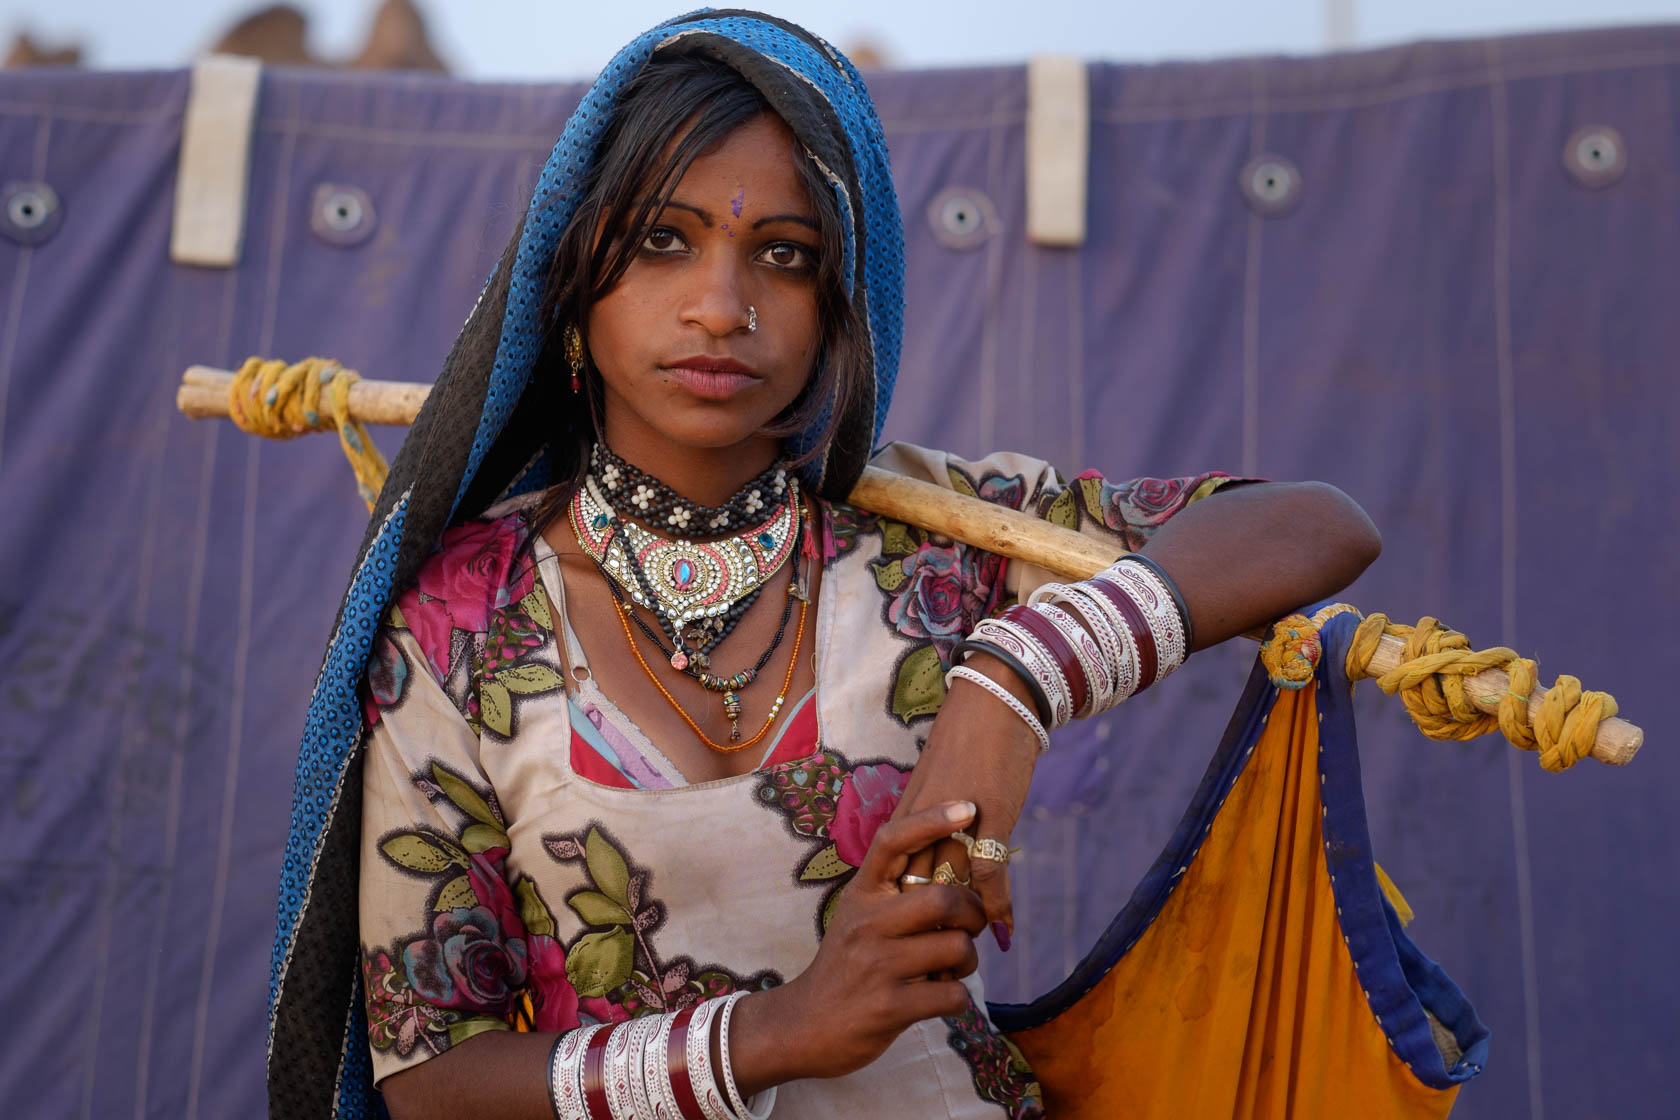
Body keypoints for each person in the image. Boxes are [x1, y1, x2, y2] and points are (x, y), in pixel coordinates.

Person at [267, 11, 1381, 1120]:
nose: (721, 306)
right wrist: (771, 1034)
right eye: (663, 240)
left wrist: (1015, 680)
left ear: (838, 305)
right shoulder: (465, 619)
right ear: (574, 283)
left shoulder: (937, 541)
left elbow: (1310, 524)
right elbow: (431, 1079)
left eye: (784, 256)